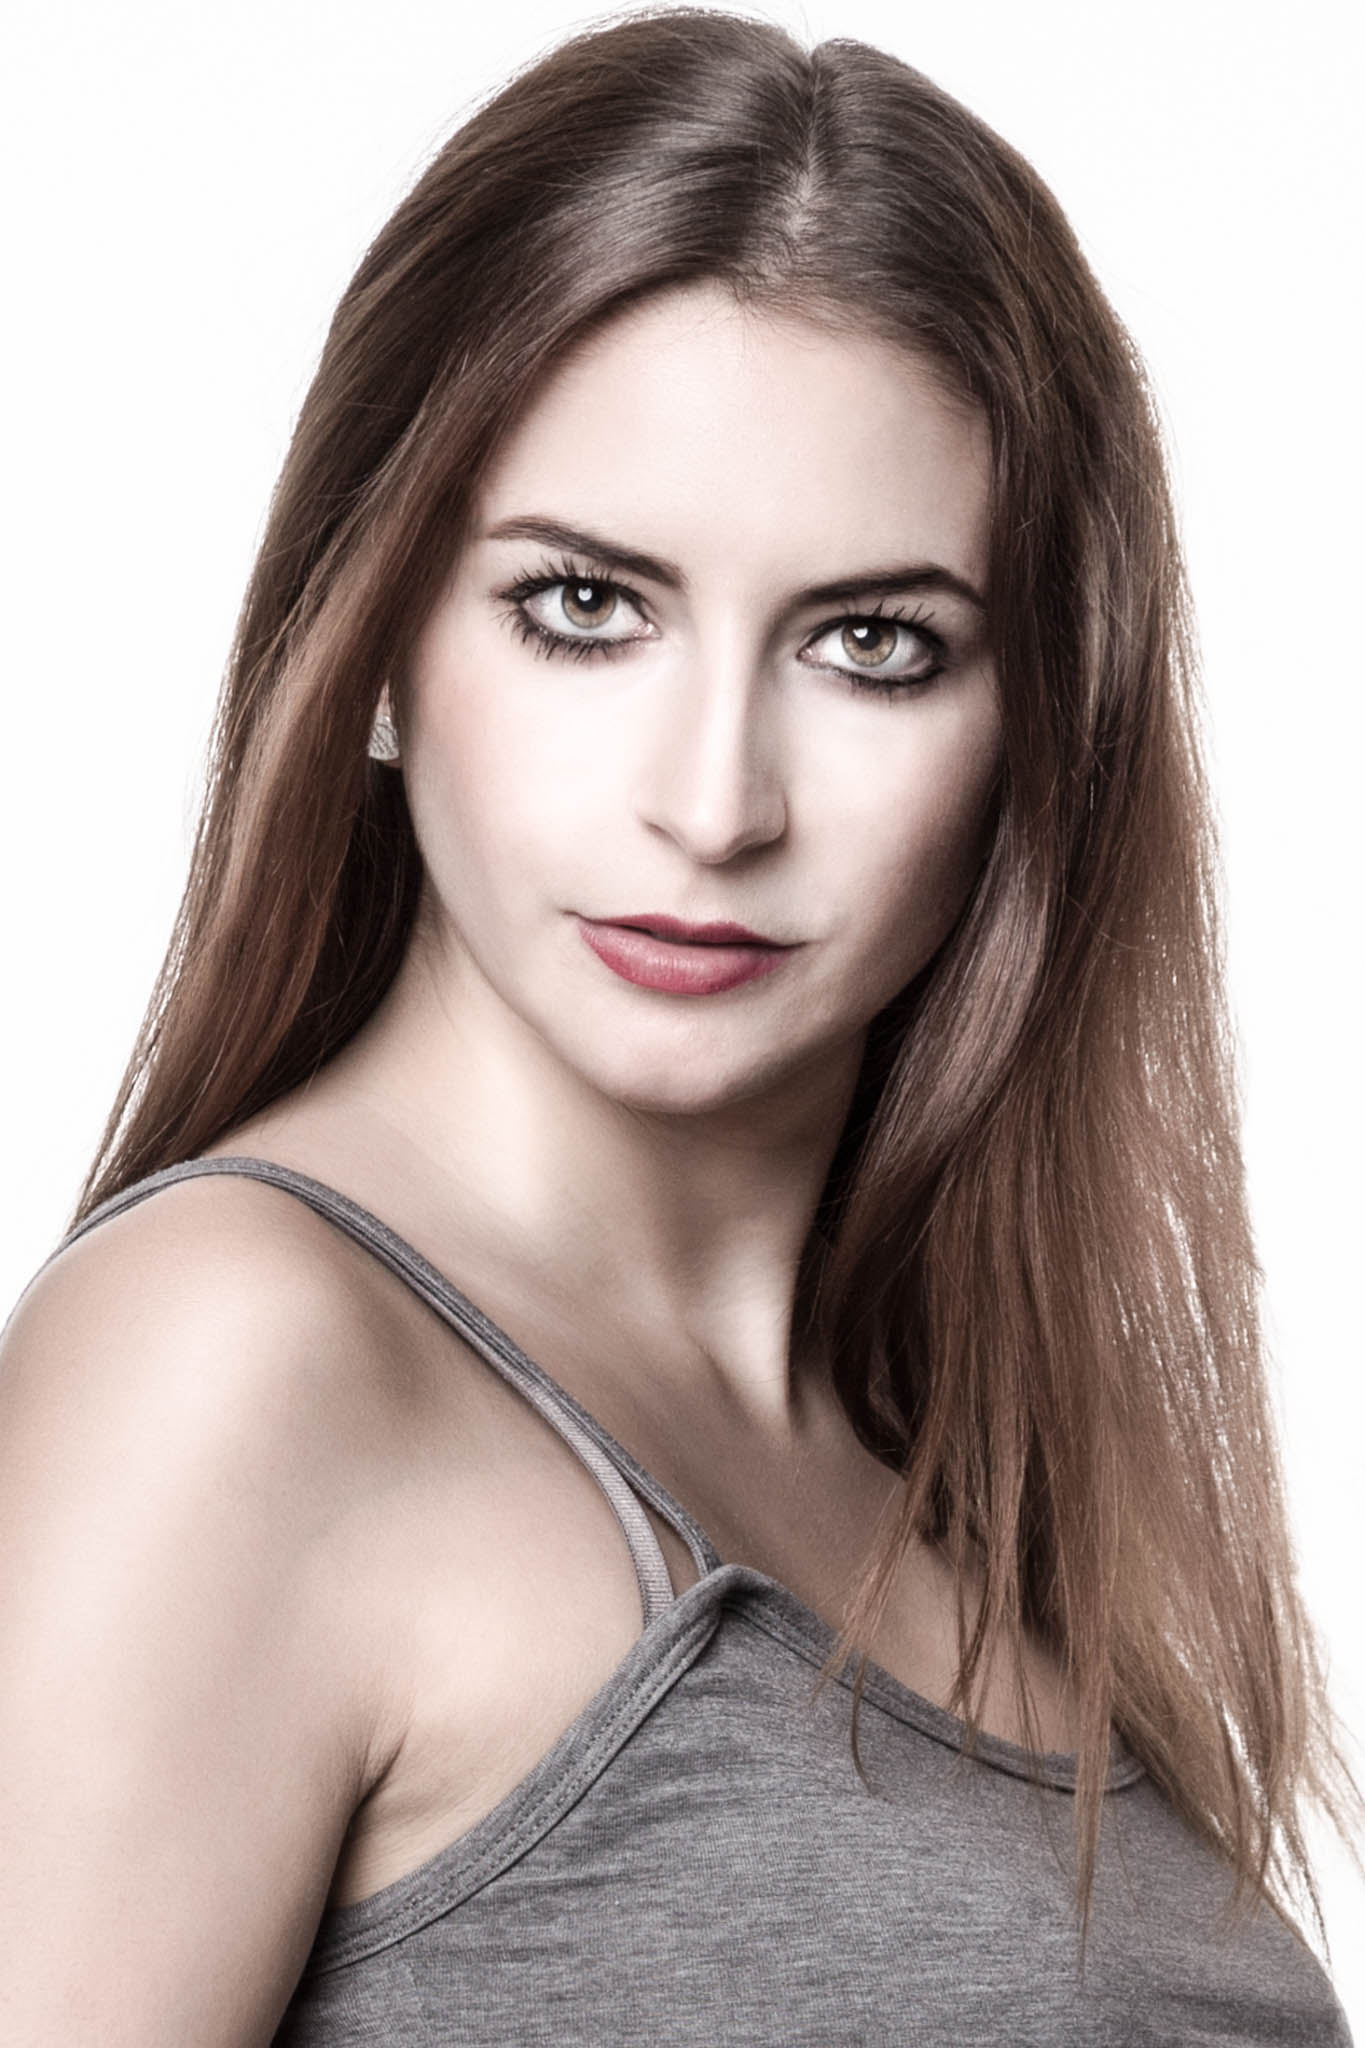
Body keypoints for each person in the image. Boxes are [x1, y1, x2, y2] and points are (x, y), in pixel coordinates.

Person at [0, 7, 1359, 2042]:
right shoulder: (237, 1359)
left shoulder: (958, 1468)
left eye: (872, 644)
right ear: (370, 637)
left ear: (1031, 745)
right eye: (581, 606)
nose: (712, 801)